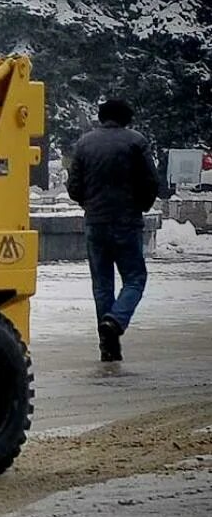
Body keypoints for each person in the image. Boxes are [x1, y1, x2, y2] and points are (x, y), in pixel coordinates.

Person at [66, 98, 159, 362]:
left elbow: (74, 187)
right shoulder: (136, 141)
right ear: (126, 118)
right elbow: (151, 181)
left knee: (102, 285)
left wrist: (90, 204)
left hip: (95, 223)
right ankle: (116, 321)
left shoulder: (84, 144)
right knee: (135, 278)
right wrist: (139, 205)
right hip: (127, 222)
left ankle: (108, 346)